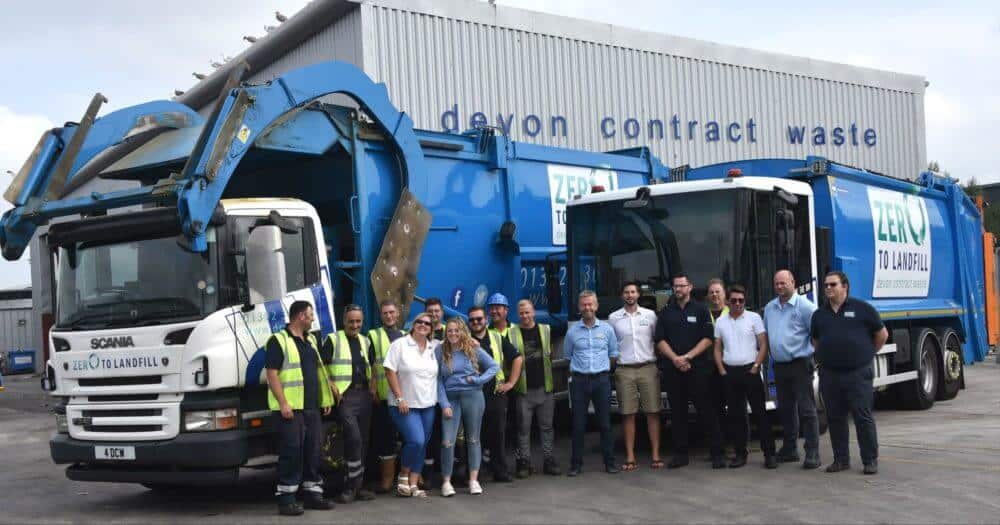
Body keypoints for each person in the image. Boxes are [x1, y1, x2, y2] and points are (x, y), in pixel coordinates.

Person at [811, 271, 887, 475]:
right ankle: (841, 459)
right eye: (826, 285)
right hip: (830, 375)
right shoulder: (819, 315)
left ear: (845, 286)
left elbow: (882, 334)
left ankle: (870, 460)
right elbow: (815, 341)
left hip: (858, 374)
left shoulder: (863, 309)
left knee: (863, 417)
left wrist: (868, 353)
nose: (828, 288)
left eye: (832, 284)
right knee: (835, 418)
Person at [265, 300, 335, 516]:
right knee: (292, 452)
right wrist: (284, 402)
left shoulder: (311, 340)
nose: (313, 319)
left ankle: (313, 495)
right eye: (310, 315)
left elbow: (318, 370)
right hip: (292, 408)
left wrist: (326, 398)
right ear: (300, 317)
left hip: (312, 406)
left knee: (313, 451)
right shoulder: (279, 341)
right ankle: (286, 500)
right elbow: (272, 373)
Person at [654, 273, 725, 469]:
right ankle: (680, 454)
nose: (678, 289)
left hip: (698, 369)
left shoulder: (702, 309)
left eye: (682, 286)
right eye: (675, 286)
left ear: (690, 287)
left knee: (707, 411)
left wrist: (688, 357)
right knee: (678, 414)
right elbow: (660, 340)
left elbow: (708, 338)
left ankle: (717, 453)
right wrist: (676, 359)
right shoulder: (665, 312)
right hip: (673, 370)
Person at [713, 285, 777, 469]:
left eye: (741, 300)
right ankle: (740, 454)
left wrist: (757, 365)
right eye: (734, 300)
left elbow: (763, 343)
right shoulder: (721, 322)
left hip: (751, 371)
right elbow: (717, 348)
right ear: (728, 302)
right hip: (730, 372)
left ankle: (769, 454)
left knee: (760, 414)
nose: (738, 303)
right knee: (736, 416)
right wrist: (722, 370)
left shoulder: (754, 318)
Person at [763, 270, 821, 469]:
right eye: (776, 283)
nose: (779, 287)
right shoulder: (770, 308)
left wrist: (813, 356)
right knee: (786, 409)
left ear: (793, 282)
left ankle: (812, 451)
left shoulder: (806, 307)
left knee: (806, 409)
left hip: (800, 364)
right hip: (779, 365)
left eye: (783, 283)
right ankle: (790, 449)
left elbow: (817, 335)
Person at [436, 318, 500, 496]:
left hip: (473, 396)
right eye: (450, 331)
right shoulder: (440, 350)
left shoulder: (473, 348)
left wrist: (478, 380)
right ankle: (446, 482)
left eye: (457, 330)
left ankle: (473, 480)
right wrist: (444, 404)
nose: (453, 334)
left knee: (473, 439)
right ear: (445, 332)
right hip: (451, 399)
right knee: (447, 441)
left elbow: (494, 366)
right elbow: (438, 380)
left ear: (463, 331)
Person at [321, 305, 377, 503]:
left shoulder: (365, 341)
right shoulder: (333, 339)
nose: (355, 325)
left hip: (364, 396)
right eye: (351, 321)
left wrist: (373, 389)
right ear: (343, 321)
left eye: (358, 321)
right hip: (345, 397)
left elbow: (373, 366)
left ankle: (357, 487)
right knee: (353, 438)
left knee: (363, 442)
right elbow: (322, 367)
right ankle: (350, 486)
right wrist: (331, 385)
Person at [383, 312, 440, 497]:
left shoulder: (435, 347)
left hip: (428, 405)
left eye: (427, 323)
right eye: (419, 321)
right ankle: (403, 474)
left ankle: (414, 485)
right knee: (416, 440)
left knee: (423, 444)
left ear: (432, 329)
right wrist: (400, 398)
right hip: (404, 405)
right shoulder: (399, 345)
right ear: (413, 324)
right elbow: (389, 371)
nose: (423, 325)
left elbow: (456, 342)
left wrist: (473, 343)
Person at [608, 282, 662, 471]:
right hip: (624, 370)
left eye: (633, 292)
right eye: (626, 292)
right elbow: (611, 345)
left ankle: (656, 455)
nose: (630, 295)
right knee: (627, 414)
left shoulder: (650, 315)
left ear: (638, 294)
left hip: (648, 367)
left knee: (653, 412)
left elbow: (657, 340)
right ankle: (630, 457)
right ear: (622, 295)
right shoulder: (613, 318)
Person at [565, 290, 619, 476]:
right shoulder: (572, 332)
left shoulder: (607, 330)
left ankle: (610, 463)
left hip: (601, 380)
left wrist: (601, 370)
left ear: (596, 306)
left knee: (605, 424)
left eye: (590, 304)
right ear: (580, 308)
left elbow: (613, 355)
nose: (587, 308)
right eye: (584, 305)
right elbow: (568, 356)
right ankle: (576, 465)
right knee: (579, 425)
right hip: (579, 381)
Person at [467, 305, 522, 482]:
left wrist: (511, 383)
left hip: (495, 393)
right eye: (472, 320)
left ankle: (500, 470)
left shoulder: (497, 338)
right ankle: (475, 472)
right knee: (475, 435)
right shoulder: (464, 340)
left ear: (486, 320)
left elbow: (517, 358)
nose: (476, 322)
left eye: (479, 319)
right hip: (472, 394)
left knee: (498, 433)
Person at [509, 299, 562, 477]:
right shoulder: (512, 332)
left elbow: (550, 354)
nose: (525, 316)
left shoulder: (545, 330)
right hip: (524, 389)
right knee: (523, 429)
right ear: (518, 314)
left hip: (545, 387)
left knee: (547, 427)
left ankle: (549, 460)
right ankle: (524, 462)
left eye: (528, 312)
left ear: (534, 312)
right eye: (521, 313)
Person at [366, 300, 406, 493]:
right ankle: (387, 480)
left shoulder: (407, 336)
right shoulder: (373, 335)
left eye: (392, 312)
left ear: (397, 313)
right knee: (385, 439)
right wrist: (373, 388)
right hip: (383, 397)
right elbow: (372, 365)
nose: (389, 316)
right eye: (385, 313)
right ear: (381, 316)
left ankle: (410, 476)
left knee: (408, 437)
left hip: (405, 397)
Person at [421, 297, 446, 484]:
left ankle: (448, 471)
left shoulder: (450, 332)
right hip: (426, 393)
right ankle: (427, 472)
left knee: (448, 432)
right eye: (430, 312)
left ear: (442, 313)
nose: (434, 314)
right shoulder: (419, 334)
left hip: (447, 392)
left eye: (436, 311)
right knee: (428, 434)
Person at [706, 278, 729, 432]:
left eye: (718, 292)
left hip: (730, 366)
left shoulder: (733, 312)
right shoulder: (703, 314)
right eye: (711, 292)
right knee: (714, 408)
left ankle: (739, 448)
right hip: (709, 368)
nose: (715, 295)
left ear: (724, 294)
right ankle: (718, 448)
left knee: (735, 407)